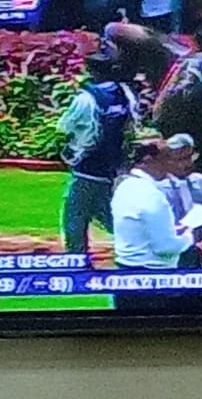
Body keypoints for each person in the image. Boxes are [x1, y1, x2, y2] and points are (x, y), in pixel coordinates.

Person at [110, 139, 202, 311]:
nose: (171, 164)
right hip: (155, 286)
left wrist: (174, 231)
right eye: (166, 158)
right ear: (148, 160)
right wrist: (189, 236)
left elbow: (142, 230)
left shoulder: (125, 187)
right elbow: (165, 247)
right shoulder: (151, 195)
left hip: (126, 280)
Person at [57, 50, 137, 255]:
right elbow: (131, 125)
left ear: (92, 71)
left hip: (88, 165)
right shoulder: (124, 93)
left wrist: (70, 150)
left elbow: (66, 126)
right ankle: (138, 241)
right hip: (114, 165)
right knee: (106, 211)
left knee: (75, 215)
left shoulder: (87, 97)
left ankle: (76, 258)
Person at [157, 133, 202, 267]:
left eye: (189, 158)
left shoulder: (199, 181)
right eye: (179, 159)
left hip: (200, 248)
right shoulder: (158, 187)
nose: (187, 164)